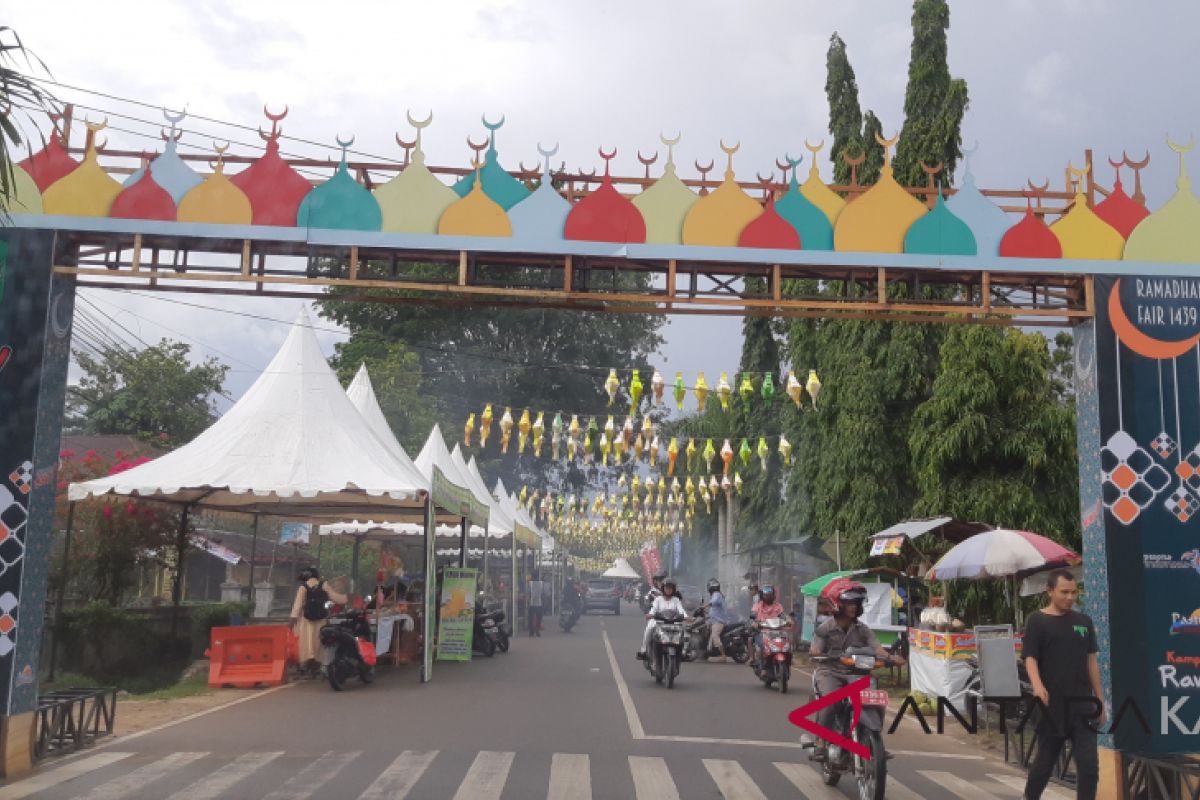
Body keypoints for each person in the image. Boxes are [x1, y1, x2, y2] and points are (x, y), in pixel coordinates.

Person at [1022, 569, 1101, 800]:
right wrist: (1037, 686)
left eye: (1073, 592)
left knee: (1089, 767)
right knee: (1045, 763)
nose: (1070, 597)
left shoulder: (1084, 622)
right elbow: (1030, 658)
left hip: (1083, 706)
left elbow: (1092, 662)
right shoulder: (1037, 621)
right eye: (1064, 592)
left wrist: (1100, 699)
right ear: (1050, 591)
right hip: (1051, 706)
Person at [809, 578, 901, 762]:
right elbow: (816, 649)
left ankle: (874, 741)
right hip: (830, 672)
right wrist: (818, 652)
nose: (853, 607)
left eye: (856, 603)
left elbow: (877, 647)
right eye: (849, 602)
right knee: (830, 701)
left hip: (857, 674)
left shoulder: (862, 629)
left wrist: (890, 657)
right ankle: (820, 741)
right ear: (839, 604)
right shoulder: (825, 628)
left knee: (876, 701)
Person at [288, 567, 348, 678]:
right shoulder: (324, 585)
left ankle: (309, 668)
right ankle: (317, 668)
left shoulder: (303, 587)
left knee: (307, 644)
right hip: (321, 621)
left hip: (306, 622)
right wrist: (348, 598)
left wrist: (292, 620)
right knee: (319, 644)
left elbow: (297, 606)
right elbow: (336, 598)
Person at [637, 576, 688, 660]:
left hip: (673, 622)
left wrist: (686, 617)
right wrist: (650, 615)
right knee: (649, 628)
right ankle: (644, 650)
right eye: (667, 588)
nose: (668, 590)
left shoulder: (676, 600)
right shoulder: (658, 599)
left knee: (685, 631)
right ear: (663, 588)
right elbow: (653, 609)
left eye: (670, 588)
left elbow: (681, 610)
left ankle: (683, 652)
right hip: (658, 620)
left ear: (674, 589)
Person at [750, 585, 786, 667]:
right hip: (762, 632)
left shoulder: (778, 606)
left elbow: (783, 616)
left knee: (785, 645)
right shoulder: (757, 606)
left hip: (777, 633)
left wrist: (788, 620)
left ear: (773, 595)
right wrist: (755, 623)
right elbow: (753, 616)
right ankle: (763, 668)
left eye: (770, 595)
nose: (768, 597)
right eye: (766, 595)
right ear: (762, 596)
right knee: (762, 647)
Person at [701, 578, 731, 662]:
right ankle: (706, 653)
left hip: (718, 622)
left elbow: (712, 602)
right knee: (709, 635)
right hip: (714, 621)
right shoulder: (716, 594)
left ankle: (723, 655)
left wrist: (704, 606)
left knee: (715, 637)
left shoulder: (717, 594)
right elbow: (714, 609)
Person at [527, 571, 545, 637]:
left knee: (530, 618)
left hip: (531, 603)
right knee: (539, 618)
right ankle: (537, 630)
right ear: (538, 575)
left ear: (532, 576)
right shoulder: (541, 583)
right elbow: (543, 593)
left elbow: (528, 592)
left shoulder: (530, 583)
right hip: (539, 603)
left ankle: (531, 631)